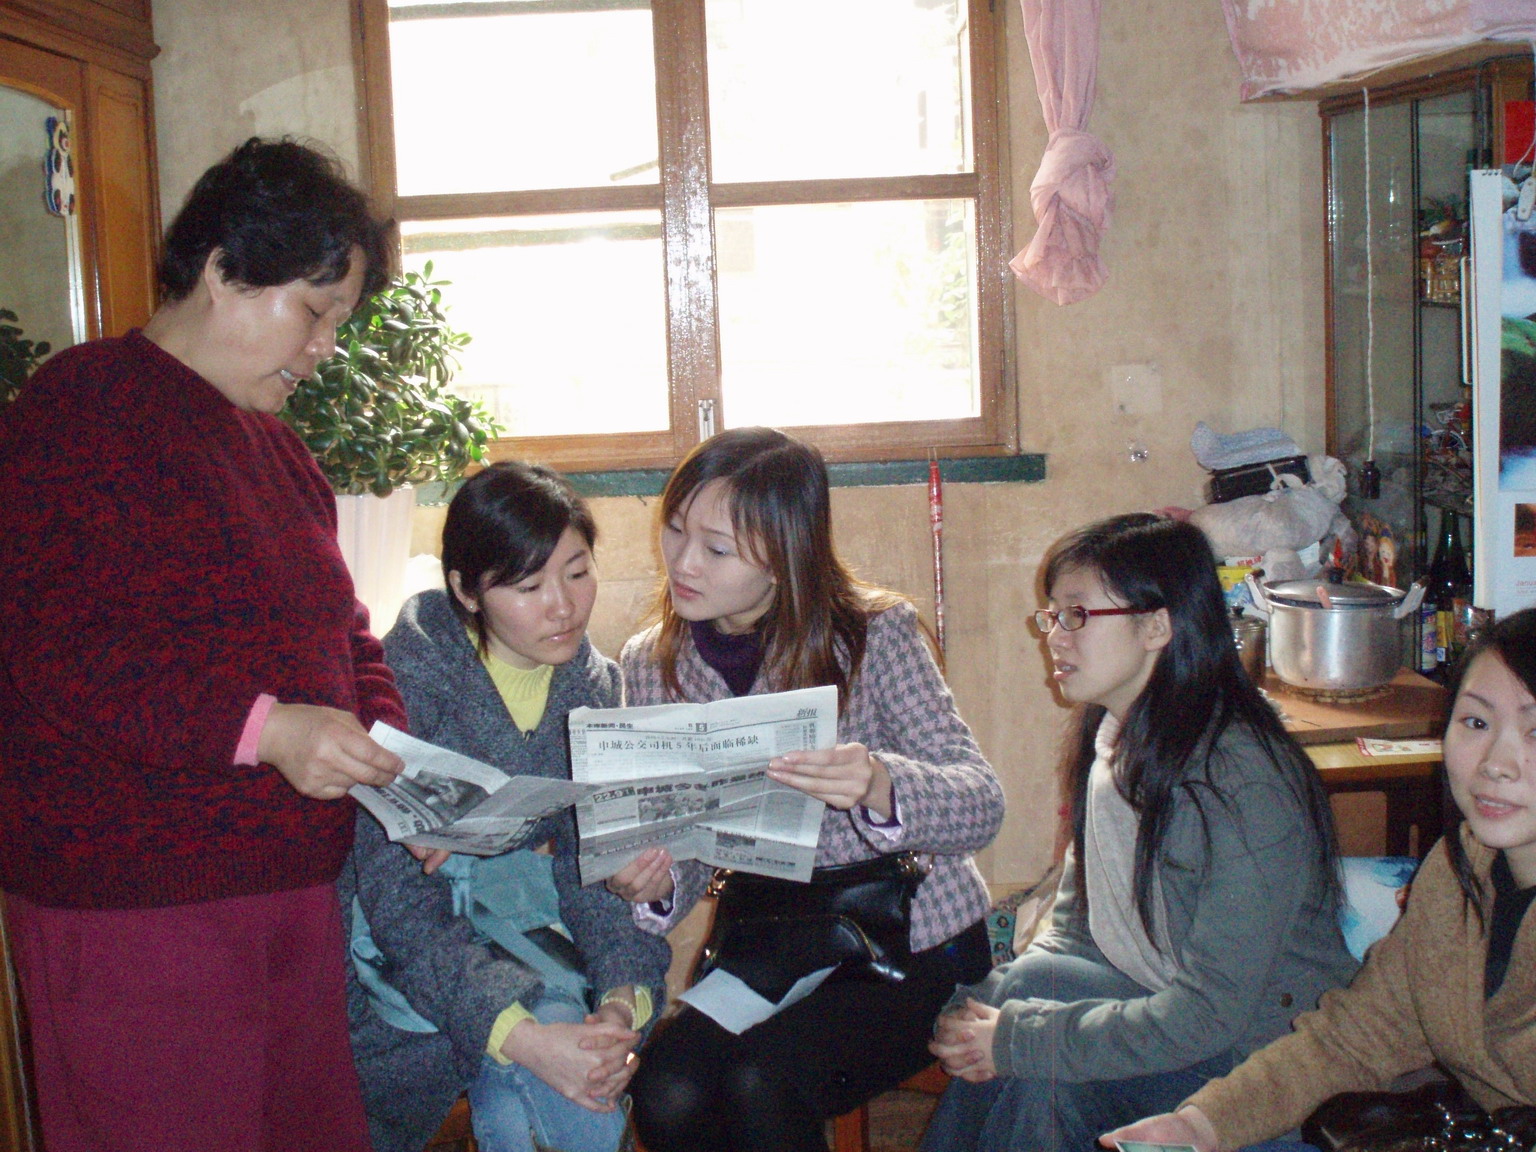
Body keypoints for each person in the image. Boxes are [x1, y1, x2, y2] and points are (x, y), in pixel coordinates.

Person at [0, 137, 407, 1150]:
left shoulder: (277, 448)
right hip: (136, 904)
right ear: (225, 270)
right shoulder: (78, 412)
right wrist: (271, 732)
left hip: (288, 889)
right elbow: (64, 654)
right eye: (314, 312)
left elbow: (343, 628)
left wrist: (393, 754)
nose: (325, 348)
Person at [605, 426, 1005, 1152]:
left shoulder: (874, 635)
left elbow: (981, 801)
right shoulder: (652, 661)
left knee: (762, 1081)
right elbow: (692, 837)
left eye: (717, 549)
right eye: (675, 529)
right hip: (773, 936)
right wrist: (657, 880)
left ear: (785, 557)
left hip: (908, 936)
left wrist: (881, 783)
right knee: (665, 1088)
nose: (683, 562)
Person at [920, 512, 1359, 1152]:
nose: (1054, 637)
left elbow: (1210, 1014)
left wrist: (1017, 1040)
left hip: (1267, 1058)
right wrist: (988, 1011)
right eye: (1052, 616)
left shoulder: (1241, 778)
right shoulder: (1116, 742)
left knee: (1044, 1080)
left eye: (1077, 615)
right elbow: (1077, 926)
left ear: (1157, 626)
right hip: (1173, 1006)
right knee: (1017, 993)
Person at [1103, 606, 1536, 1152]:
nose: (1497, 763)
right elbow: (1356, 1036)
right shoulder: (1457, 873)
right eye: (1476, 723)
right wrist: (1200, 1125)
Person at [355, 462, 672, 1152]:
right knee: (552, 1089)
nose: (563, 606)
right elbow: (394, 899)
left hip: (523, 928)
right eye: (528, 587)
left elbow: (594, 869)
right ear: (466, 590)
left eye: (578, 572)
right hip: (398, 956)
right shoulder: (403, 682)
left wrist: (621, 1000)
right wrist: (523, 1038)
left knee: (563, 1086)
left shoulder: (595, 685)